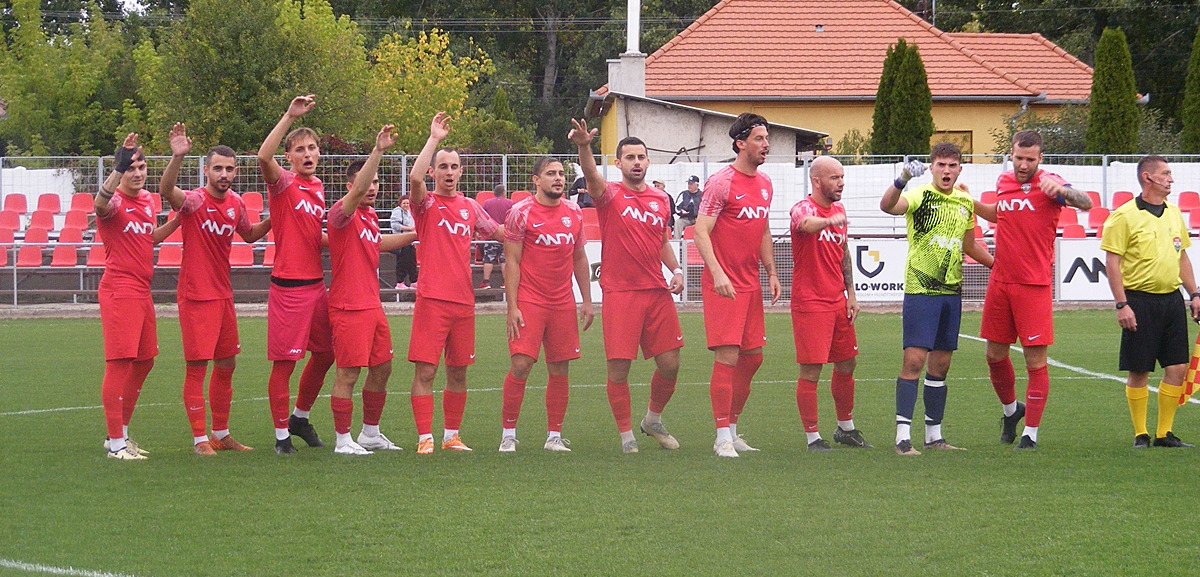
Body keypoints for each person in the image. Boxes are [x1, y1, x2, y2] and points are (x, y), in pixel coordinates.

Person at [570, 118, 686, 454]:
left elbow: (661, 240)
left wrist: (676, 269)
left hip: (656, 291)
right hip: (620, 293)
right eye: (630, 157)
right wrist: (583, 146)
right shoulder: (609, 195)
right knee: (619, 368)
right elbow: (592, 178)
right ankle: (626, 437)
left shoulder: (661, 199)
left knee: (671, 363)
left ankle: (652, 419)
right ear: (618, 163)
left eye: (642, 157)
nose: (637, 162)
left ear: (648, 162)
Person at [158, 123, 272, 455]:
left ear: (236, 172)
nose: (224, 174)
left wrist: (277, 217)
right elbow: (167, 189)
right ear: (207, 170)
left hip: (223, 295)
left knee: (227, 364)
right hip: (195, 294)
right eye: (218, 168)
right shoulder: (193, 201)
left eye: (229, 169)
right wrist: (177, 156)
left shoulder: (236, 203)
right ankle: (198, 440)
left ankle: (220, 433)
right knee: (197, 367)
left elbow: (249, 234)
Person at [974, 130, 1092, 450]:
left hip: (1033, 284)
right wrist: (968, 203)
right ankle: (1012, 412)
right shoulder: (1003, 183)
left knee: (1035, 362)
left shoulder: (1050, 182)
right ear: (1011, 155)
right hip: (1000, 282)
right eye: (1019, 157)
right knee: (994, 356)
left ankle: (1031, 434)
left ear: (1040, 158)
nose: (1023, 164)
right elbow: (1000, 213)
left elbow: (1087, 202)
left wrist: (1063, 190)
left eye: (1030, 159)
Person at [880, 142, 993, 456]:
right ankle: (903, 438)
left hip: (951, 293)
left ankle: (934, 436)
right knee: (914, 361)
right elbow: (888, 206)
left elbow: (970, 246)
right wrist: (902, 178)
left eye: (952, 165)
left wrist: (999, 266)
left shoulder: (964, 201)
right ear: (931, 168)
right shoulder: (919, 195)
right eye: (940, 165)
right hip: (921, 291)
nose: (946, 170)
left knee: (941, 365)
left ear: (960, 169)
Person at [407, 112, 506, 454]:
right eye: (443, 167)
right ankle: (425, 438)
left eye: (454, 167)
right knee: (426, 370)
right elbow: (414, 178)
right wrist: (433, 138)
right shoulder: (426, 204)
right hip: (432, 299)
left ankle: (451, 436)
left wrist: (536, 225)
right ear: (435, 171)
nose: (449, 172)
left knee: (459, 372)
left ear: (461, 172)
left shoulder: (469, 207)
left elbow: (501, 233)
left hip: (463, 302)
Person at [325, 125, 418, 455]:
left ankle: (370, 433)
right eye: (368, 181)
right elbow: (357, 193)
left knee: (383, 367)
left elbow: (378, 244)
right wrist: (377, 152)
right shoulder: (342, 213)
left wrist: (416, 235)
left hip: (372, 305)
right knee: (348, 373)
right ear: (352, 186)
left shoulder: (369, 217)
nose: (373, 187)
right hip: (349, 306)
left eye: (378, 183)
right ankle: (341, 440)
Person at [694, 112, 782, 458]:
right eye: (759, 139)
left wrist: (772, 271)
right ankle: (720, 437)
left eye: (767, 138)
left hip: (750, 283)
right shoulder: (721, 182)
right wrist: (717, 273)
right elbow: (701, 231)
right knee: (728, 357)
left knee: (753, 358)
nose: (766, 145)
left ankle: (732, 428)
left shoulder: (765, 184)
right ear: (740, 143)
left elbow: (762, 230)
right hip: (723, 284)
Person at [1101, 155, 1200, 448]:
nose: (1171, 178)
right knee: (1139, 369)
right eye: (1165, 173)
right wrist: (1122, 304)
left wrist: (1194, 294)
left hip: (1171, 302)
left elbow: (1181, 257)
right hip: (1139, 301)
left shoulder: (1173, 214)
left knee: (1177, 369)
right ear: (1148, 177)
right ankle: (1140, 433)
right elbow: (1112, 261)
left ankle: (1163, 433)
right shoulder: (1124, 215)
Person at [256, 94, 336, 454]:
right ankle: (281, 437)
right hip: (288, 289)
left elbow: (310, 235)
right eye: (300, 148)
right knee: (285, 364)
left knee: (326, 353)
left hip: (317, 287)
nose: (307, 153)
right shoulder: (283, 182)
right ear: (289, 156)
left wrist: (346, 243)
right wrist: (289, 114)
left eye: (312, 147)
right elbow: (262, 156)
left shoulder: (317, 188)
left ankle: (299, 418)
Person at [498, 156, 594, 452]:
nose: (558, 178)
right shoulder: (520, 212)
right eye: (550, 174)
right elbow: (511, 261)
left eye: (561, 174)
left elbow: (579, 257)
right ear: (536, 180)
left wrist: (587, 300)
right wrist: (512, 305)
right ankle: (508, 433)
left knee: (560, 368)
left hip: (562, 301)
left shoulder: (575, 212)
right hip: (530, 299)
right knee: (521, 364)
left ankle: (554, 435)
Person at [96, 133, 180, 460]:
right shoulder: (115, 200)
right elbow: (99, 205)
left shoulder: (147, 200)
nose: (137, 173)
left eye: (141, 166)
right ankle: (116, 444)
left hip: (142, 290)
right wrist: (117, 168)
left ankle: (120, 434)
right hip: (120, 289)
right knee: (119, 364)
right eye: (130, 168)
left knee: (145, 361)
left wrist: (178, 221)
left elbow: (149, 238)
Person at [789, 156, 870, 450]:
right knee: (812, 370)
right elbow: (806, 225)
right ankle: (813, 436)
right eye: (834, 177)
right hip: (810, 302)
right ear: (817, 181)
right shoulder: (803, 208)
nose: (841, 182)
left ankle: (845, 428)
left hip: (838, 301)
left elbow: (843, 251)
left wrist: (851, 293)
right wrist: (827, 221)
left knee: (848, 362)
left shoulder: (840, 209)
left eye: (842, 176)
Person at [480, 184, 514, 289]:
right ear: (503, 192)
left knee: (488, 259)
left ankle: (486, 282)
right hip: (505, 236)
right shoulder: (510, 203)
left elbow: (481, 218)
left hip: (491, 236)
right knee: (504, 260)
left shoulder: (487, 203)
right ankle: (505, 282)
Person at [389, 195, 418, 289]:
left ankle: (414, 281)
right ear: (400, 204)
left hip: (410, 241)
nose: (406, 205)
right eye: (404, 203)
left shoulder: (410, 212)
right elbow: (395, 225)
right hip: (401, 240)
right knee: (402, 262)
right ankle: (400, 282)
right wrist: (409, 228)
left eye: (407, 203)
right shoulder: (397, 212)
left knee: (412, 261)